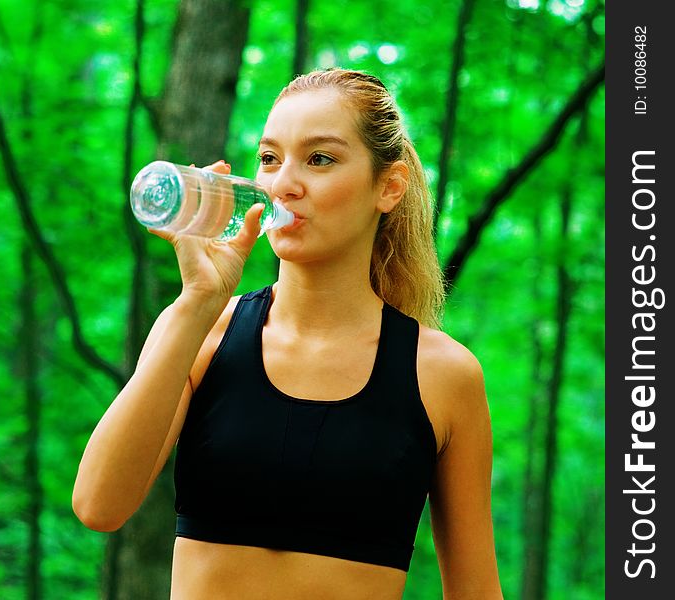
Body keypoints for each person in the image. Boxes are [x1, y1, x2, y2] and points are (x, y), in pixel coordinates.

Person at [73, 68, 503, 600]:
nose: (283, 184)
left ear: (388, 187)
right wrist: (198, 302)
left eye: (320, 159)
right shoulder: (202, 332)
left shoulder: (443, 375)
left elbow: (476, 591)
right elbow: (99, 505)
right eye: (270, 159)